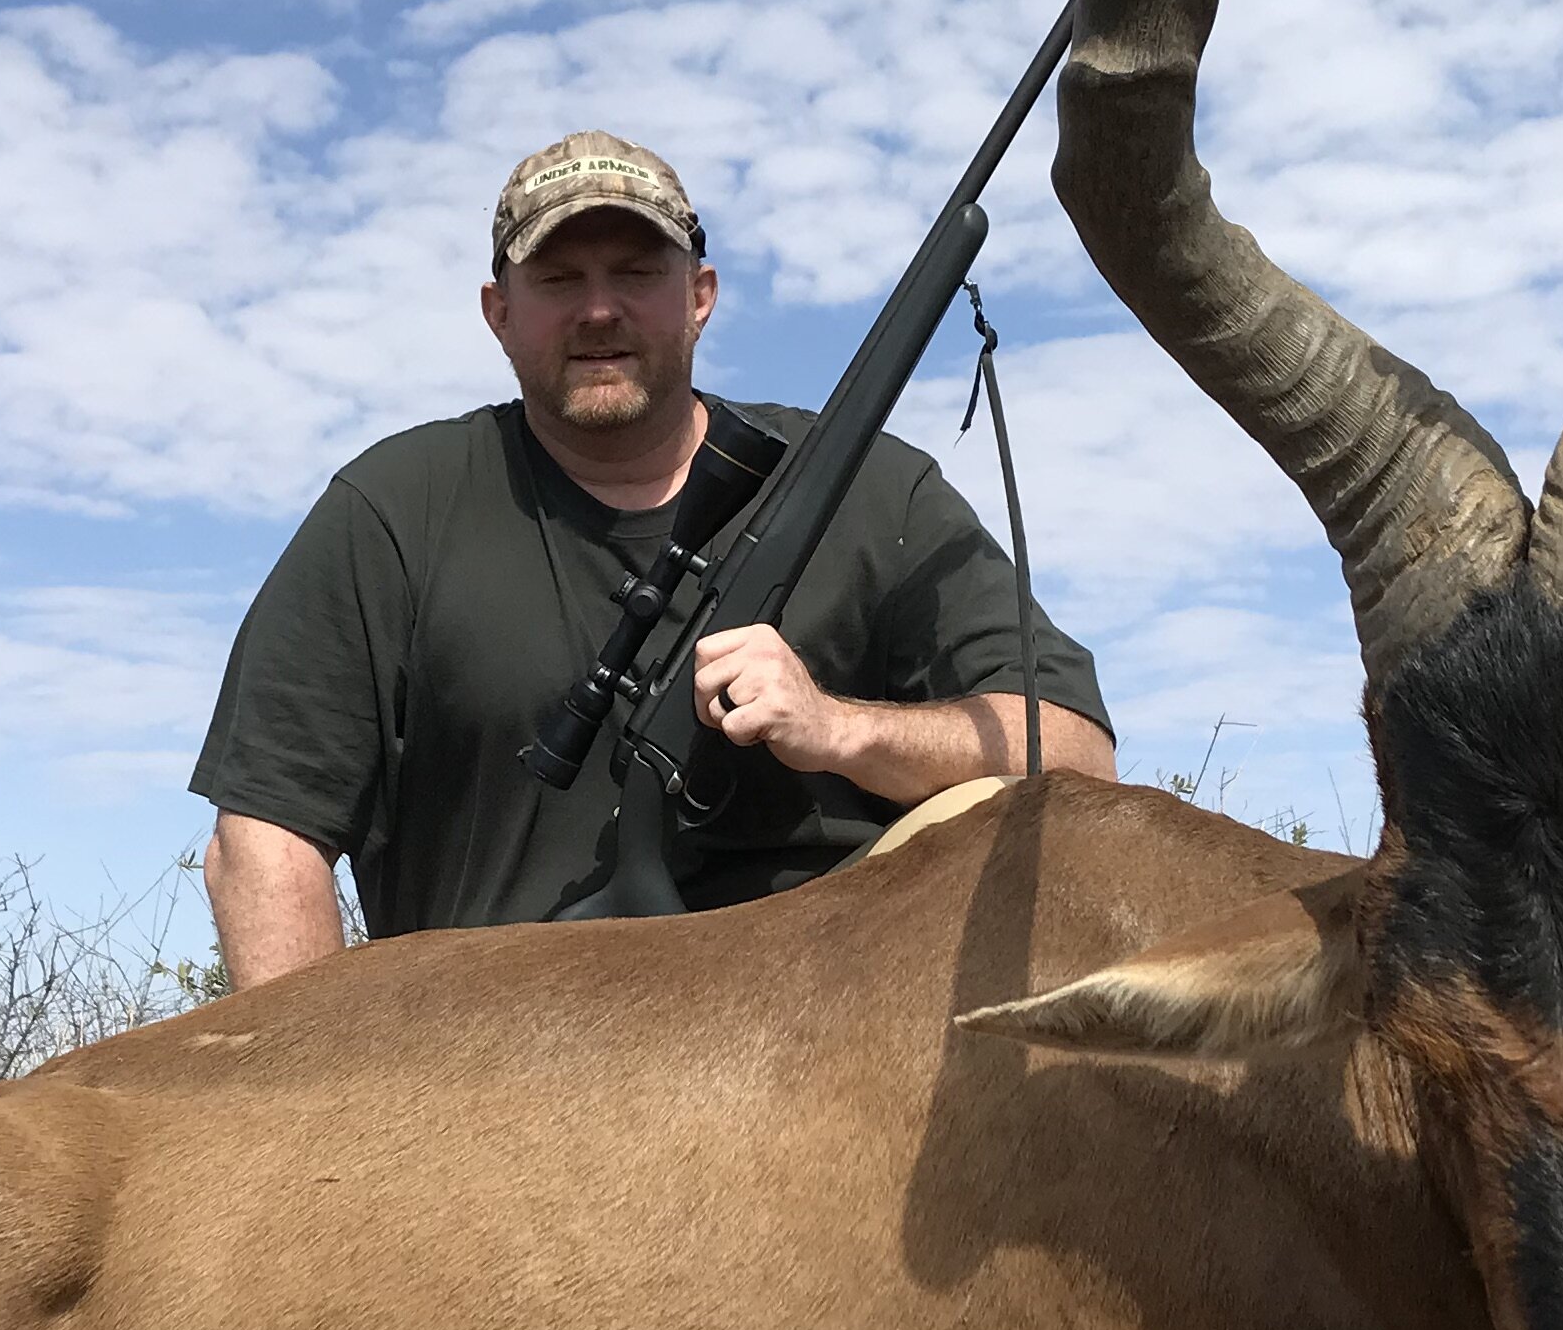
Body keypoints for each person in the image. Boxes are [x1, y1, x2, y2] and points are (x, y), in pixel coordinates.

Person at [192, 130, 1116, 987]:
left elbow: (1074, 755)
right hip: (496, 1071)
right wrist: (336, 1125)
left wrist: (844, 730)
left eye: (637, 272)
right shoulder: (390, 510)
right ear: (498, 312)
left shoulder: (875, 489)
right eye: (559, 279)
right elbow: (263, 840)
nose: (600, 309)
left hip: (847, 1038)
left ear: (700, 297)